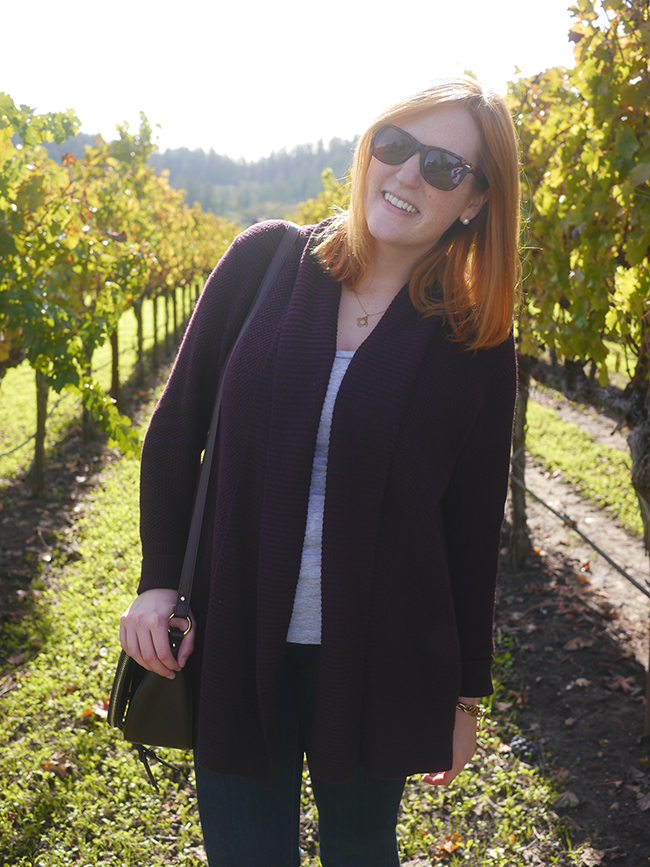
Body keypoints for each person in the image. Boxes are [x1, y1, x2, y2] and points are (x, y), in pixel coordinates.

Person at [120, 75, 521, 867]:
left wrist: (465, 695)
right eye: (397, 145)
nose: (407, 175)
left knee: (363, 847)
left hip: (382, 655)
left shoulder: (474, 338)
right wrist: (158, 581)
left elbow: (473, 529)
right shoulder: (263, 262)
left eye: (443, 167)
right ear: (370, 147)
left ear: (475, 200)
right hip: (234, 636)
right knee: (244, 852)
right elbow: (173, 432)